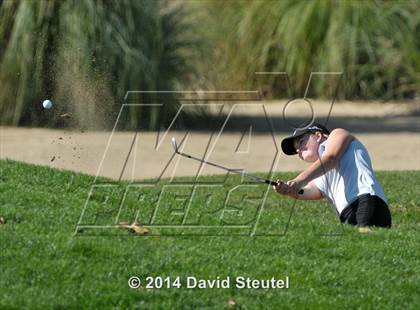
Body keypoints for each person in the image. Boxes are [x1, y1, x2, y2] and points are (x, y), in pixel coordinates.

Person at [273, 123, 392, 229]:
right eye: (296, 150)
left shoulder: (337, 134)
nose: (298, 150)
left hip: (366, 201)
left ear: (318, 135)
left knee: (366, 242)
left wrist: (298, 180)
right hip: (347, 213)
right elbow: (309, 191)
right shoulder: (321, 172)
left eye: (301, 142)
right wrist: (288, 190)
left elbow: (331, 158)